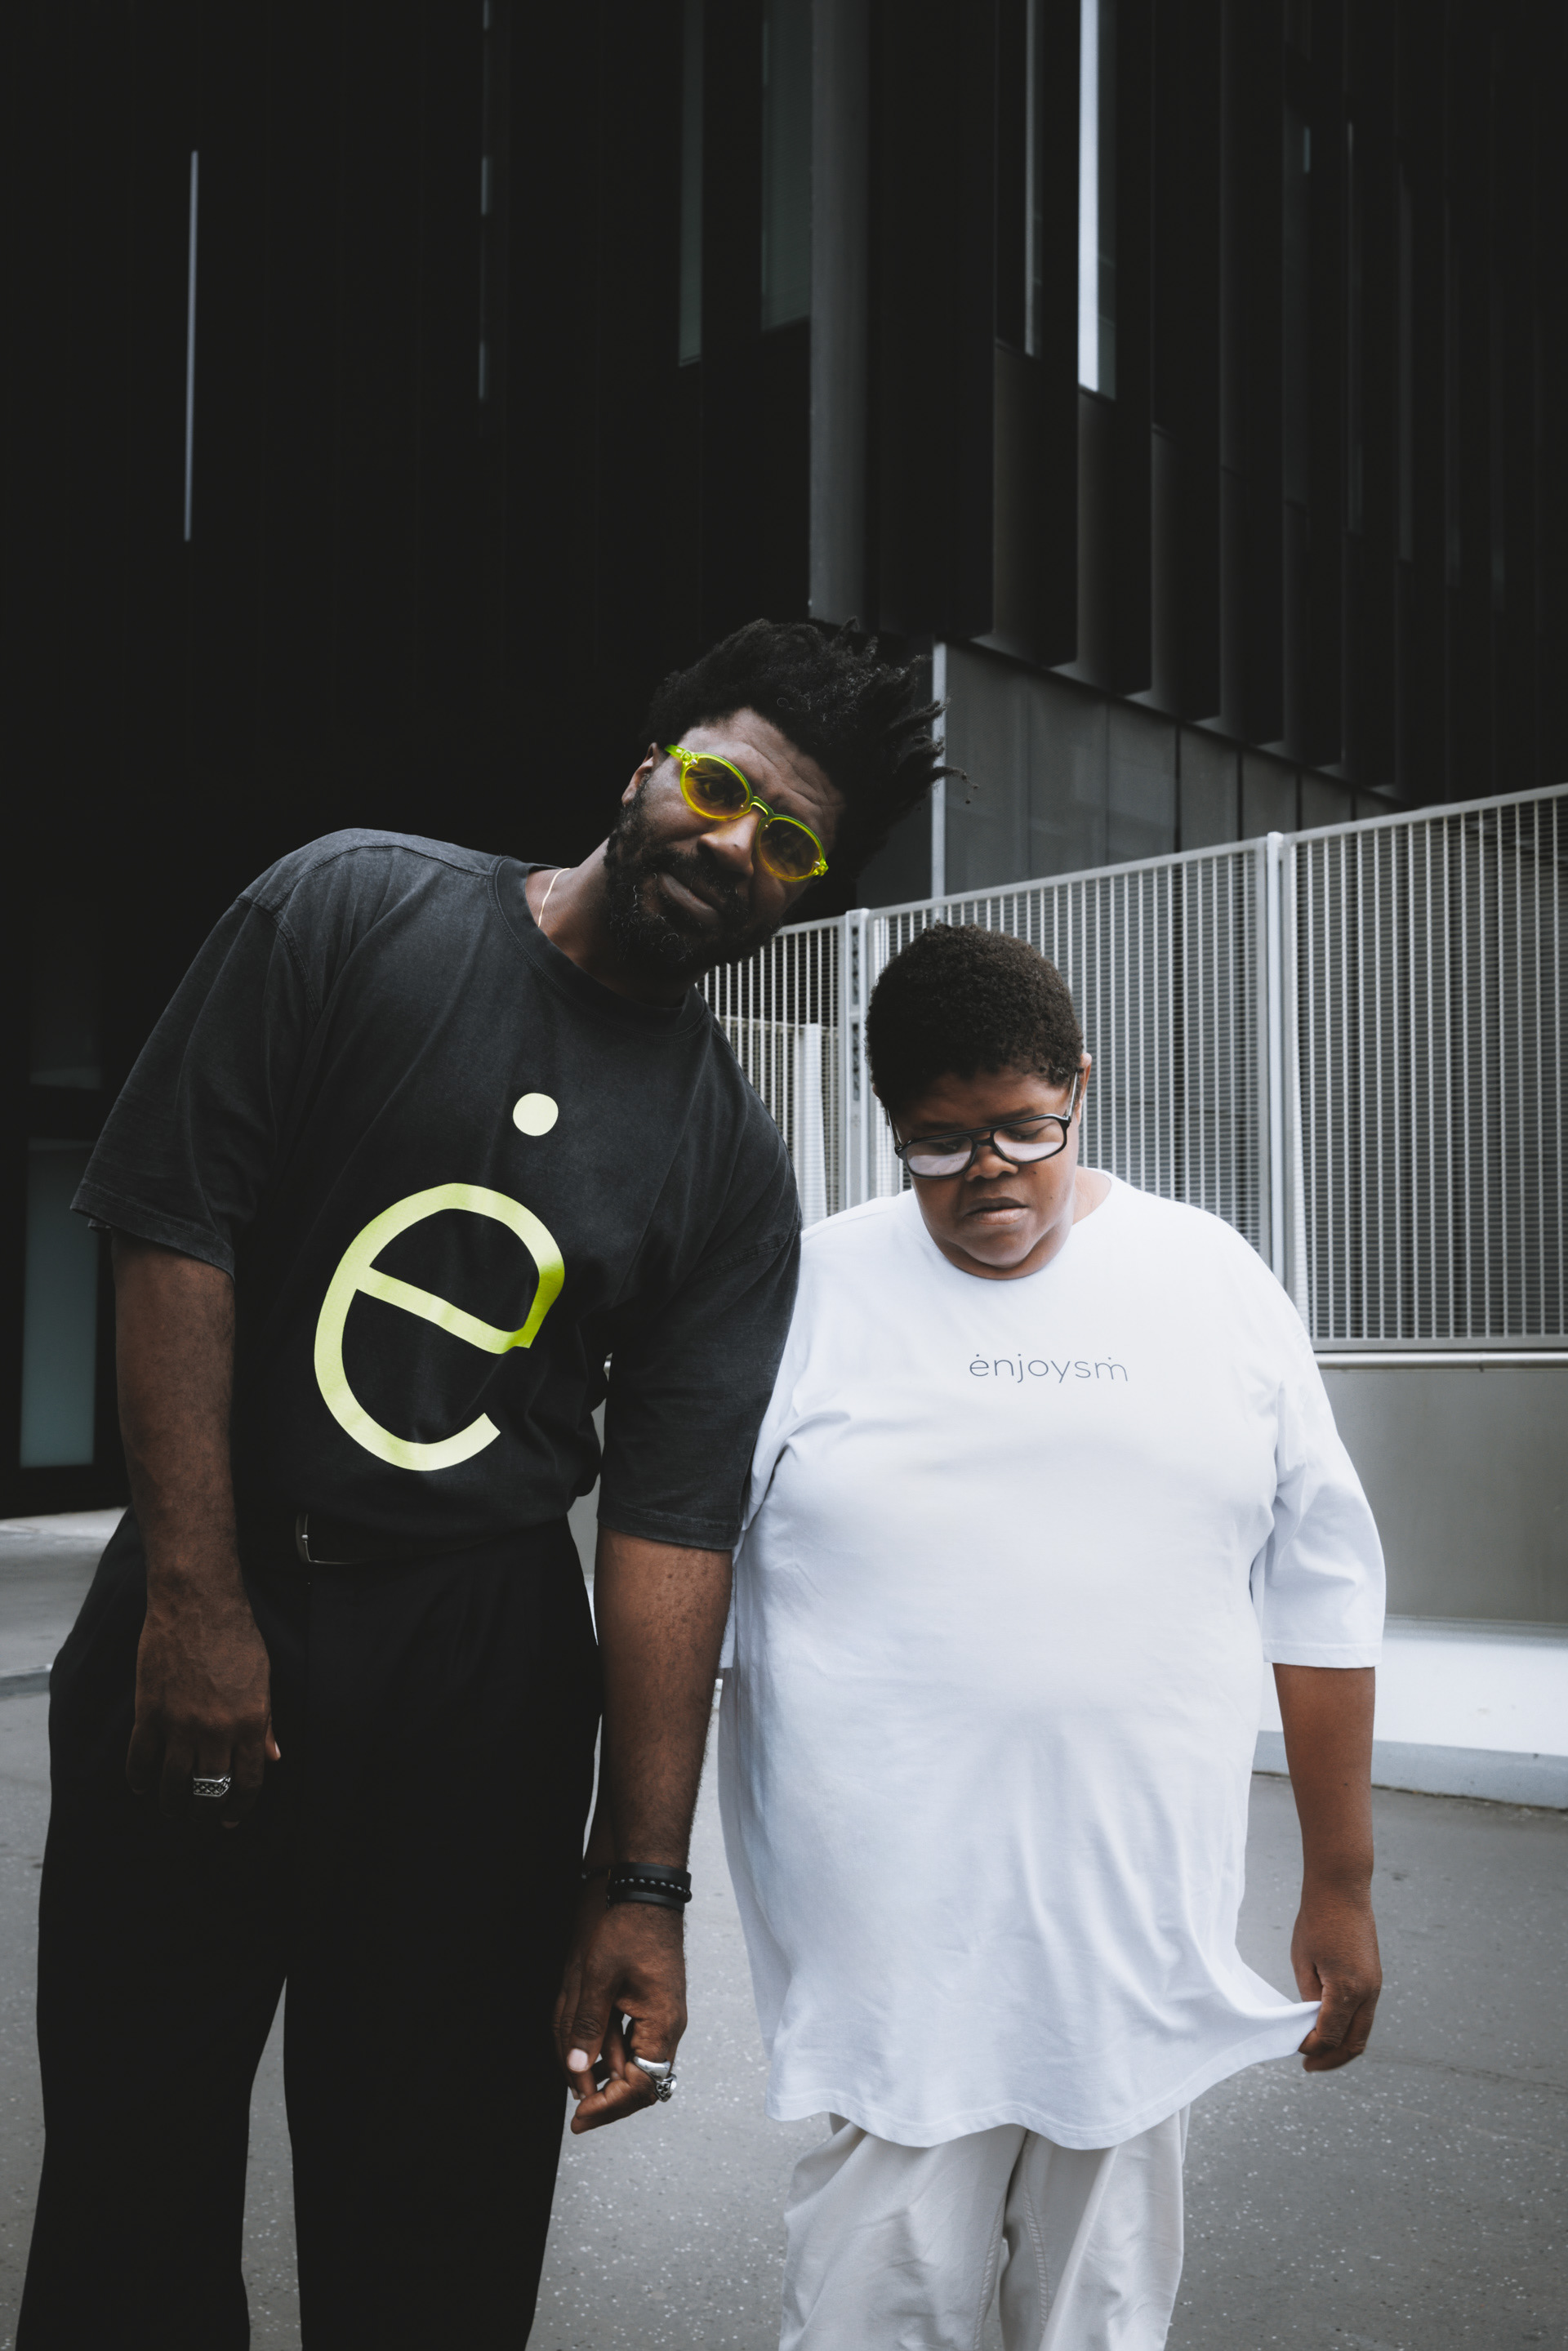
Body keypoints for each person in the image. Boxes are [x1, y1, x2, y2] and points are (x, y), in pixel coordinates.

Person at [18, 620, 947, 2351]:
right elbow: (174, 1226)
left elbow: (672, 1526)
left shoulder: (727, 1169)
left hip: (476, 1681)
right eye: (720, 785)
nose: (734, 843)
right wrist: (198, 1603)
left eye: (790, 842)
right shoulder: (350, 909)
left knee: (434, 2224)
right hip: (210, 1597)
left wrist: (641, 1884)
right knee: (130, 2200)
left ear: (808, 889)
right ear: (647, 765)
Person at [719, 921, 1384, 2351]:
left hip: (1136, 1926)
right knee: (872, 2304)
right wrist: (633, 1880)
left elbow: (1324, 1582)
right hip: (893, 1945)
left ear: (1082, 1083)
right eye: (940, 1144)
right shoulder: (810, 1291)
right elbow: (684, 1582)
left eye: (1028, 1129)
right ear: (888, 1122)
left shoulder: (1211, 1279)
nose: (991, 1174)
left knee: (1103, 2313)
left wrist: (1340, 1881)